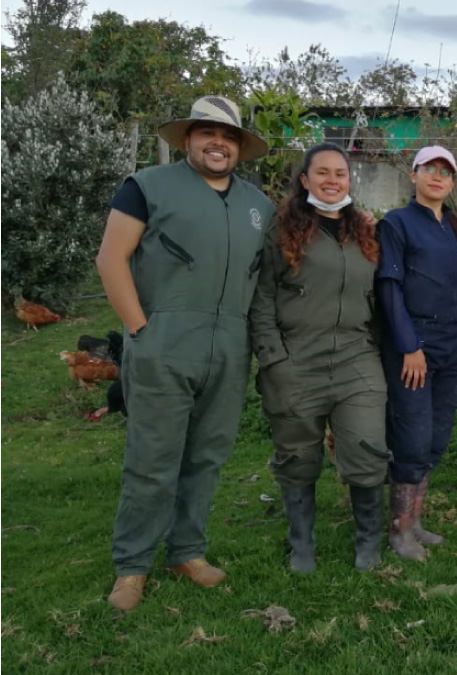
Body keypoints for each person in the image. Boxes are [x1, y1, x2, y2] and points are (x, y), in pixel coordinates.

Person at [95, 96, 274, 611]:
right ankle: (131, 566)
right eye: (207, 133)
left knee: (207, 456)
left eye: (229, 136)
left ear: (239, 147)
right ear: (188, 139)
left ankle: (186, 550)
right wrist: (139, 330)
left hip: (229, 349)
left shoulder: (255, 203)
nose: (218, 143)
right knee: (153, 460)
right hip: (163, 343)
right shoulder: (147, 187)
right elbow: (112, 259)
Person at [249, 142, 387, 574]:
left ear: (350, 181)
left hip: (356, 357)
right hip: (296, 358)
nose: (332, 181)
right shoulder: (281, 231)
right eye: (322, 173)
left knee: (367, 449)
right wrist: (273, 359)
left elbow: (380, 296)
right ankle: (302, 545)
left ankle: (368, 541)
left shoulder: (365, 231)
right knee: (298, 457)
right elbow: (261, 297)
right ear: (305, 180)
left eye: (340, 174)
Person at [376, 146, 457, 560]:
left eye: (445, 172)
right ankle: (399, 530)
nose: (437, 177)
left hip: (453, 343)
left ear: (452, 183)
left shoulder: (452, 226)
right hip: (414, 342)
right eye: (429, 169)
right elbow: (389, 287)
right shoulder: (396, 223)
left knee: (436, 436)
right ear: (413, 175)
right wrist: (409, 346)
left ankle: (416, 520)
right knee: (412, 436)